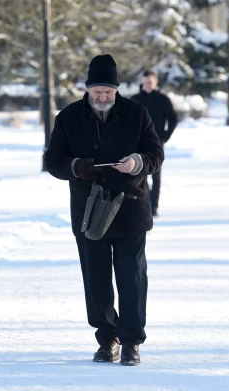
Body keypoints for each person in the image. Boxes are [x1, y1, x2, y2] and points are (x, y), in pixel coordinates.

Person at [44, 54, 164, 366]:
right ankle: (107, 337)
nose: (103, 97)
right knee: (96, 281)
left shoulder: (137, 113)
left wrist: (137, 162)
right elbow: (53, 161)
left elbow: (156, 154)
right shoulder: (68, 117)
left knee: (132, 278)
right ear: (87, 90)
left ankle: (131, 342)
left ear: (116, 90)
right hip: (89, 214)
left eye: (109, 92)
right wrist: (76, 167)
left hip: (131, 209)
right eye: (98, 92)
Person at [131, 70, 177, 216]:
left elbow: (173, 119)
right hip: (138, 143)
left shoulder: (163, 100)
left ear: (156, 82)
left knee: (156, 176)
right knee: (140, 174)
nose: (147, 85)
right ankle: (144, 204)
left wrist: (165, 136)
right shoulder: (135, 100)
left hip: (156, 143)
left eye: (150, 83)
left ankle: (154, 207)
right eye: (145, 83)